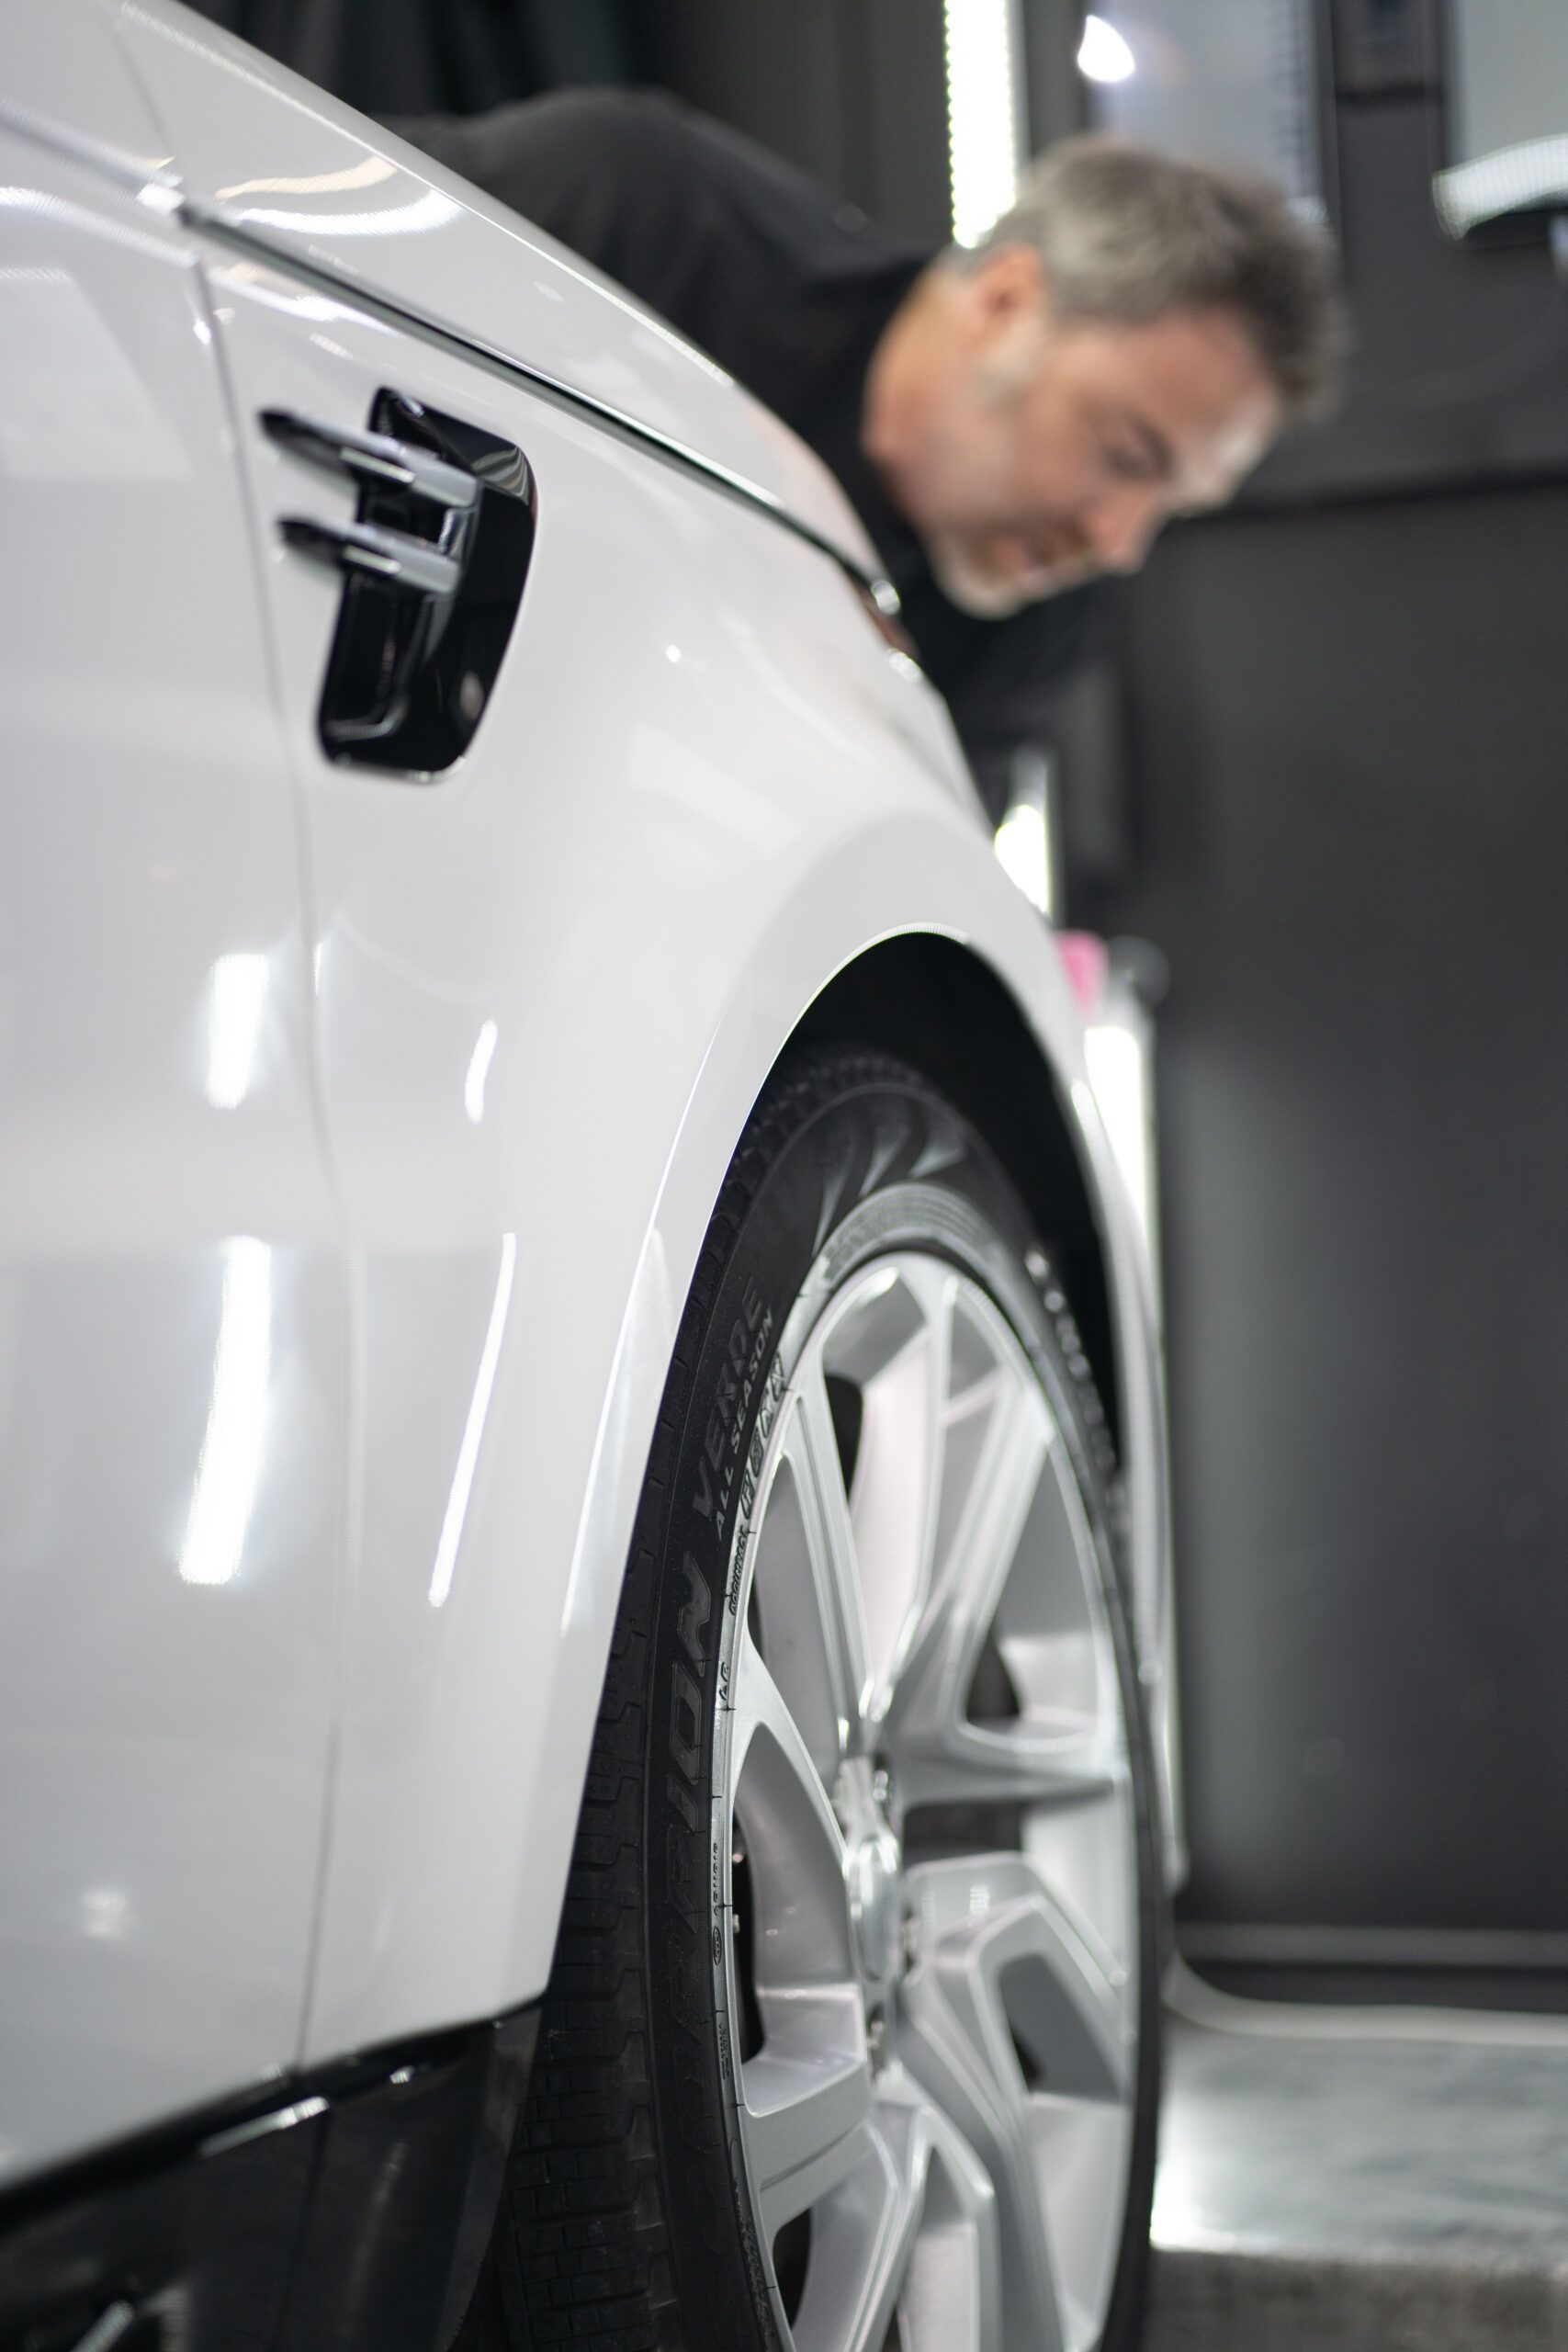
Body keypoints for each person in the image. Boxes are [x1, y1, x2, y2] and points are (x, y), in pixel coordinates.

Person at [394, 91, 1343, 811]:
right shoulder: (642, 210)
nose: (1119, 540)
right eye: (1126, 455)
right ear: (1008, 301)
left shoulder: (1047, 613)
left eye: (1172, 506)